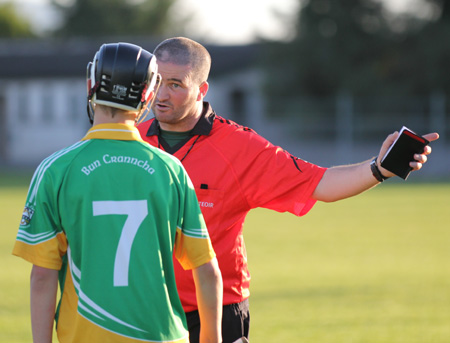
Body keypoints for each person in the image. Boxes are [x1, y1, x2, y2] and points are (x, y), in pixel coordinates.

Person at [137, 37, 439, 343]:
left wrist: (378, 168)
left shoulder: (240, 148)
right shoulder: (129, 141)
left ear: (201, 90)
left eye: (175, 84)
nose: (161, 95)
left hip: (215, 313)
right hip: (142, 310)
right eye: (157, 81)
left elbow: (320, 183)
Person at [13, 42, 223, 343]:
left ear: (91, 84)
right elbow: (207, 271)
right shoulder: (170, 169)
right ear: (149, 94)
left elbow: (43, 276)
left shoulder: (56, 169)